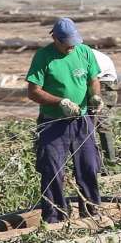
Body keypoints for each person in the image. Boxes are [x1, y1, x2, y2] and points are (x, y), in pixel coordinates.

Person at [25, 17, 103, 223]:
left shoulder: (84, 51)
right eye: (67, 44)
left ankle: (91, 212)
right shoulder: (43, 57)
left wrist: (95, 97)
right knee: (52, 169)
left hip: (81, 120)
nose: (71, 47)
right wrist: (60, 102)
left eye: (73, 43)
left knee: (88, 166)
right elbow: (33, 92)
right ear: (56, 39)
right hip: (53, 122)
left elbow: (93, 80)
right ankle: (55, 217)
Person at [93, 49, 120, 163]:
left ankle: (109, 161)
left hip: (104, 87)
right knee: (91, 123)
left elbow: (93, 78)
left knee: (100, 123)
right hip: (99, 84)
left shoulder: (91, 56)